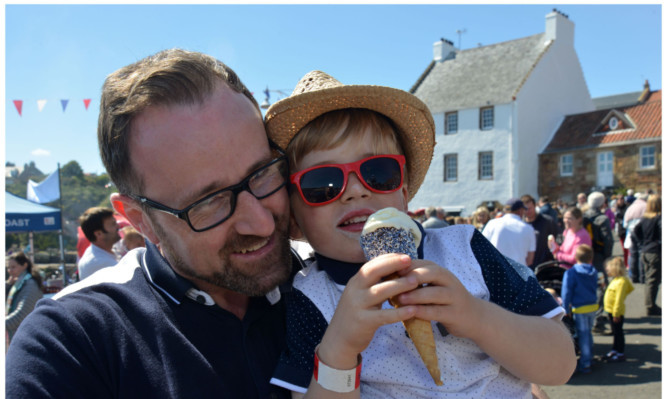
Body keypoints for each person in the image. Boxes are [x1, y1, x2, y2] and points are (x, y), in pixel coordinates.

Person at [6, 48, 307, 398]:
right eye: (209, 202)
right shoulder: (72, 342)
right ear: (139, 220)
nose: (261, 224)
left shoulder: (333, 281)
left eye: (262, 173)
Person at [264, 70, 575, 398]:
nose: (354, 191)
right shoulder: (309, 298)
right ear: (294, 219)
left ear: (405, 192)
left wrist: (477, 317)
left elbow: (559, 365)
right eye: (321, 183)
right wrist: (339, 351)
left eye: (378, 173)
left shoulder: (466, 249)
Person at [560, 245, 598, 374]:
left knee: (583, 335)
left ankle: (585, 362)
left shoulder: (571, 273)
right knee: (589, 333)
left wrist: (565, 308)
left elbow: (566, 291)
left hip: (579, 308)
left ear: (575, 257)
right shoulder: (594, 271)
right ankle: (590, 357)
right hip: (592, 306)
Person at [584, 192, 614, 333]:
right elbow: (608, 240)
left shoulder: (583, 216)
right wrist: (607, 256)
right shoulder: (602, 219)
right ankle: (597, 319)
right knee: (601, 286)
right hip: (597, 256)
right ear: (603, 204)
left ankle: (587, 317)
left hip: (583, 255)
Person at [482, 198, 536, 266]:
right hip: (519, 272)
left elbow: (482, 248)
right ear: (520, 211)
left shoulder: (492, 223)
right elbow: (530, 260)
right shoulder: (529, 229)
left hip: (496, 270)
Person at [631, 194, 661, 316]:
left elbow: (635, 232)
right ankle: (650, 306)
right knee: (653, 280)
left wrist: (642, 243)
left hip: (645, 250)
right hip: (654, 251)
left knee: (649, 280)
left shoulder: (644, 218)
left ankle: (650, 304)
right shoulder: (658, 218)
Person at [6, 252, 43, 345]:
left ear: (24, 265)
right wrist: (7, 286)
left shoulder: (30, 284)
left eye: (13, 267)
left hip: (26, 339)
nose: (10, 270)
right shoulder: (17, 283)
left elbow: (21, 314)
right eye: (8, 268)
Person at [602, 257, 634, 362]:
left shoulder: (621, 282)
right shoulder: (617, 280)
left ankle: (620, 352)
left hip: (616, 313)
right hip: (612, 311)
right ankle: (615, 349)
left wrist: (616, 313)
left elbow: (619, 299)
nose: (607, 271)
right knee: (616, 332)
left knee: (618, 332)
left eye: (609, 269)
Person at [76, 206, 121, 280]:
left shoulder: (100, 253)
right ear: (99, 234)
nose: (118, 226)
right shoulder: (99, 262)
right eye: (113, 224)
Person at [521, 194, 561, 270]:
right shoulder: (520, 225)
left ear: (535, 206)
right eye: (525, 209)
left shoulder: (547, 221)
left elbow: (559, 237)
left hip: (544, 266)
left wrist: (553, 255)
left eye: (530, 208)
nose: (528, 211)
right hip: (526, 267)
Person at [623, 192, 648, 283]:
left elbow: (625, 224)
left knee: (633, 254)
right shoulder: (646, 206)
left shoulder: (631, 207)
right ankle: (642, 276)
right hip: (642, 233)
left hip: (631, 232)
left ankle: (633, 275)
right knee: (641, 253)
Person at [613, 195, 629, 267]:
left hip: (626, 230)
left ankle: (628, 263)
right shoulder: (616, 208)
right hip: (620, 230)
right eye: (619, 199)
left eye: (621, 199)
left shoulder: (627, 208)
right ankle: (626, 263)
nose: (620, 200)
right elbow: (615, 220)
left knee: (627, 248)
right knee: (623, 248)